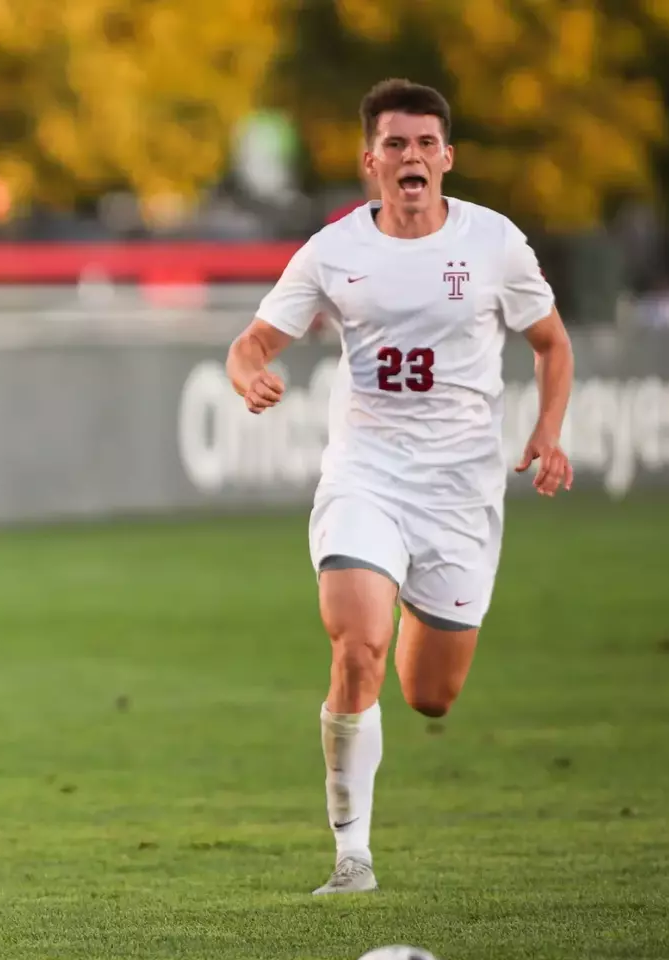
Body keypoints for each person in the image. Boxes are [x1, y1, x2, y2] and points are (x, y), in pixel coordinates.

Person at [225, 79, 574, 895]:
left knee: (430, 695)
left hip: (459, 491)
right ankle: (353, 858)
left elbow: (552, 345)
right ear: (370, 160)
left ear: (446, 158)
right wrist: (249, 377)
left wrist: (549, 430)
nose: (410, 157)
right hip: (367, 474)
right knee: (357, 646)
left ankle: (416, 595)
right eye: (395, 144)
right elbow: (250, 343)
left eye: (424, 144)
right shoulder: (332, 252)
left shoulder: (495, 245)